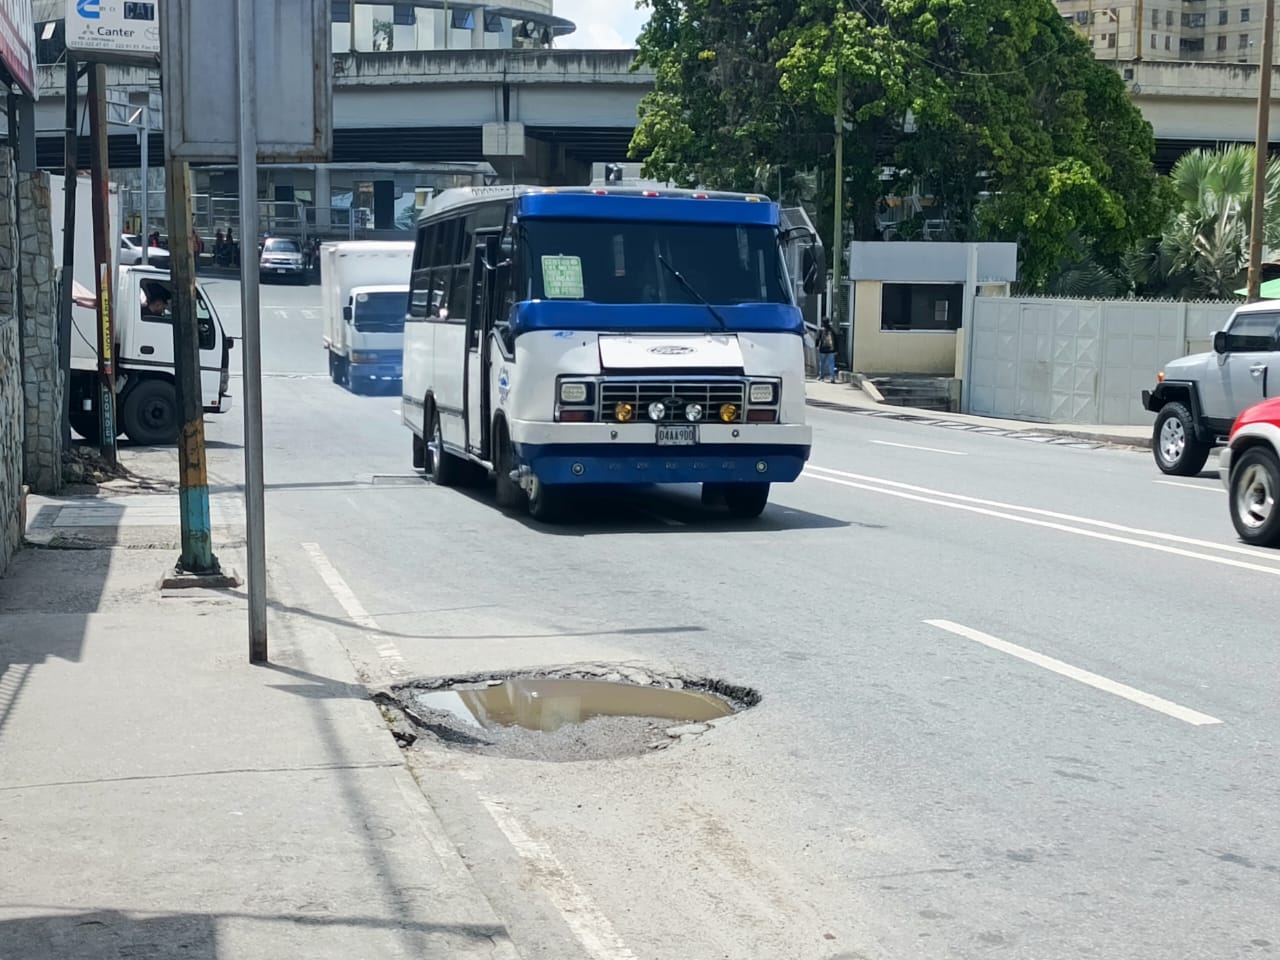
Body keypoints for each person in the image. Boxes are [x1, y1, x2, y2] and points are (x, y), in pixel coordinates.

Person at [818, 318, 838, 382]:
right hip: (831, 350)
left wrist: (816, 346)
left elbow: (818, 339)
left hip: (822, 350)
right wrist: (836, 349)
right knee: (831, 364)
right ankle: (832, 377)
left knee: (822, 363)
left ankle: (821, 376)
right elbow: (836, 340)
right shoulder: (832, 330)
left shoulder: (821, 330)